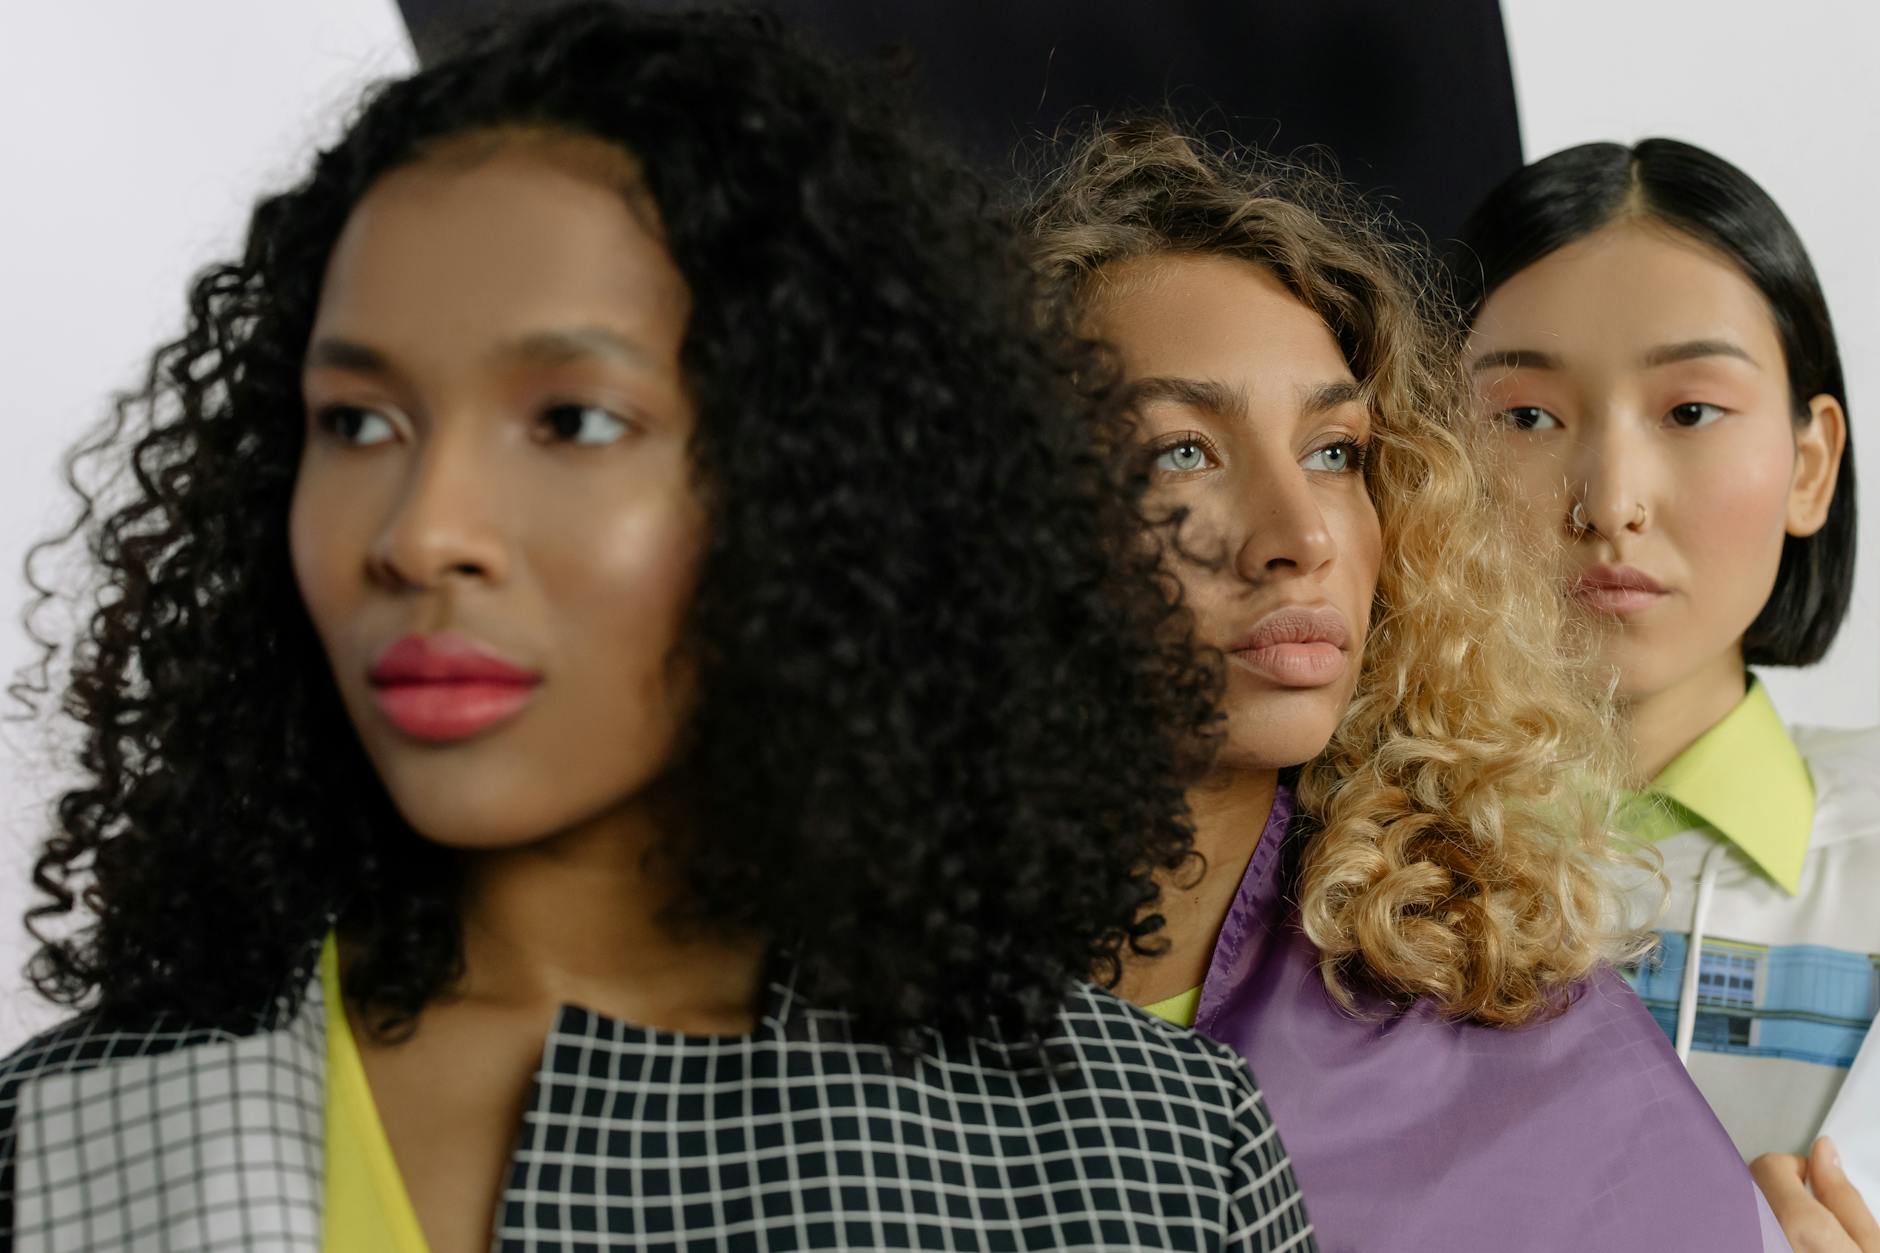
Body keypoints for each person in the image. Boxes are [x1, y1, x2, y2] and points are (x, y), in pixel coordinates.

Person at [0, 12, 1316, 1251]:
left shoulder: (1146, 1156)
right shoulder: (63, 1135)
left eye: (572, 419)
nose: (421, 530)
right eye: (358, 421)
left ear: (818, 482)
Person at [1027, 120, 1787, 1253]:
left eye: (1334, 452)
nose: (1299, 536)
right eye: (1181, 451)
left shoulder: (1526, 1046)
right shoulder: (790, 1006)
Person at [1455, 134, 1877, 1252]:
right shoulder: (1330, 867)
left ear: (1809, 465)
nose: (1610, 500)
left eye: (1689, 411)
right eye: (1526, 417)